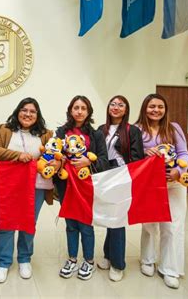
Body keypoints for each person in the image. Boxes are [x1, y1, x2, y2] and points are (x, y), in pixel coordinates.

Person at [0, 97, 54, 283]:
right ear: (18, 112)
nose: (28, 114)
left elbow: (56, 154)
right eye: (24, 110)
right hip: (9, 185)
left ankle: (25, 259)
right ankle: (3, 262)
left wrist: (55, 161)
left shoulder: (46, 134)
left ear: (37, 115)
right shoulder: (5, 130)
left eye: (32, 111)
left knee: (29, 223)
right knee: (7, 223)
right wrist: (18, 156)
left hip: (37, 186)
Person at [136, 93, 188, 289]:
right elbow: (130, 154)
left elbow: (184, 153)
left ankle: (169, 268)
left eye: (160, 106)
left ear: (165, 109)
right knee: (149, 224)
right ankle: (147, 260)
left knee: (172, 225)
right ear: (144, 108)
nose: (156, 110)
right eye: (152, 106)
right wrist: (143, 151)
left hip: (174, 184)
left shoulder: (173, 128)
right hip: (149, 183)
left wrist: (179, 171)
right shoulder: (137, 129)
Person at [54, 95, 108, 280]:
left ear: (89, 112)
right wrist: (58, 160)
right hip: (66, 185)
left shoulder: (96, 135)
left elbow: (103, 161)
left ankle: (89, 261)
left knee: (85, 225)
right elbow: (53, 154)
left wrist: (87, 161)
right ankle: (71, 259)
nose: (79, 111)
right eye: (76, 107)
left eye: (83, 108)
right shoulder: (61, 132)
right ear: (70, 110)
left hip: (87, 187)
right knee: (70, 225)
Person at [96, 95, 144, 281]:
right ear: (108, 108)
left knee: (117, 221)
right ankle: (108, 255)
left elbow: (137, 157)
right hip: (103, 176)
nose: (116, 107)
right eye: (113, 104)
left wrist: (123, 173)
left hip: (121, 177)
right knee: (110, 218)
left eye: (120, 105)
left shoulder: (132, 131)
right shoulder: (101, 129)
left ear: (126, 110)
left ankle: (118, 264)